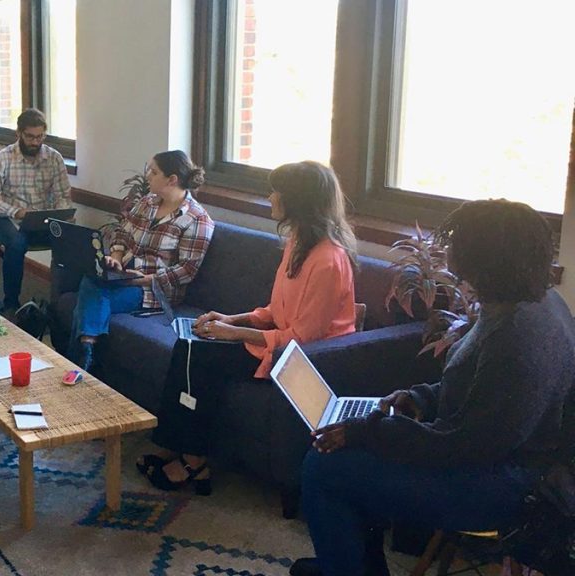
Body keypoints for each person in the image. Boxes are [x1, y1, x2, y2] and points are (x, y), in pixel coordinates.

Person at [290, 199, 575, 576]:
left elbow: (462, 445)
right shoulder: (531, 303)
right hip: (494, 462)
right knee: (350, 464)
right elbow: (471, 383)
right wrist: (418, 398)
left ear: (486, 255)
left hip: (504, 487)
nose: (448, 248)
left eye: (458, 241)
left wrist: (369, 432)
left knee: (325, 468)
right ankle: (349, 564)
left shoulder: (516, 337)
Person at [137, 161, 359, 496]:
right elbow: (277, 311)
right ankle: (177, 447)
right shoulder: (298, 243)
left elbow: (305, 337)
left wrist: (235, 334)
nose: (270, 198)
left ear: (296, 200)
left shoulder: (328, 260)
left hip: (306, 361)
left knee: (205, 360)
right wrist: (231, 319)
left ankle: (194, 464)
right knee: (188, 347)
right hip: (280, 344)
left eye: (275, 192)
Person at [67, 150, 214, 371]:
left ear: (172, 179)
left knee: (90, 293)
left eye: (153, 172)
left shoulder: (198, 219)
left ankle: (82, 358)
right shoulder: (147, 203)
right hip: (123, 275)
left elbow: (186, 271)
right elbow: (122, 234)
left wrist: (143, 280)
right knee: (91, 278)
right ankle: (85, 358)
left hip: (155, 290)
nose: (147, 176)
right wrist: (115, 259)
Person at [0, 108, 72, 315]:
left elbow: (62, 195)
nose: (35, 142)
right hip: (10, 219)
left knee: (69, 240)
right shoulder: (2, 158)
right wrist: (16, 211)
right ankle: (11, 303)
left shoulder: (54, 158)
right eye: (30, 136)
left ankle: (60, 303)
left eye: (40, 137)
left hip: (44, 219)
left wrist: (64, 214)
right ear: (19, 133)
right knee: (17, 243)